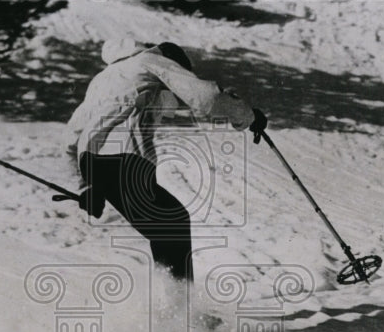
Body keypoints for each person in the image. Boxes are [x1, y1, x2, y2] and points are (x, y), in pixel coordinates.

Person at [64, 38, 267, 282]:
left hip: (93, 163)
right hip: (125, 159)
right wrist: (248, 116)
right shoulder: (151, 61)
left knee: (166, 229)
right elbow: (205, 99)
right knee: (174, 224)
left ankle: (170, 305)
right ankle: (180, 308)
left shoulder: (102, 80)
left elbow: (69, 138)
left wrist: (85, 185)